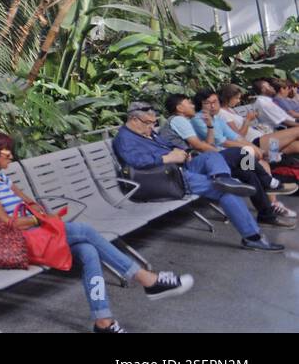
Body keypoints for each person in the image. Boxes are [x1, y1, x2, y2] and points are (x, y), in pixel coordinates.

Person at [0, 129, 192, 334]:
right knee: (82, 230)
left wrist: (40, 217)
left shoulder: (1, 177)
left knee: (88, 251)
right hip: (9, 244)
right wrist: (37, 219)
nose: (11, 157)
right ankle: (146, 279)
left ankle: (103, 322)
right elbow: (5, 223)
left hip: (29, 236)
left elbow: (31, 203)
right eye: (6, 152)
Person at [112, 103, 283, 252]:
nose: (152, 126)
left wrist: (184, 153)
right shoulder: (126, 138)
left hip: (186, 167)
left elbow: (174, 146)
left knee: (223, 158)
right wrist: (169, 157)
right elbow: (136, 162)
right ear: (134, 120)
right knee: (229, 187)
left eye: (153, 123)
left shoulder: (147, 132)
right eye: (149, 123)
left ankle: (227, 178)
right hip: (165, 178)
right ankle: (255, 232)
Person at [165, 92, 294, 227]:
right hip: (195, 166)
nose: (192, 105)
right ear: (180, 108)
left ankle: (266, 214)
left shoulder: (203, 120)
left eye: (216, 102)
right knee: (241, 152)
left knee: (249, 173)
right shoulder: (180, 120)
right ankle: (270, 183)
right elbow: (201, 146)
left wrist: (210, 126)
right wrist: (226, 152)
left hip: (207, 160)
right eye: (188, 103)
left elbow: (209, 144)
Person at [217, 83, 299, 158]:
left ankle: (274, 159)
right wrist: (248, 120)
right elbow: (237, 137)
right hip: (257, 143)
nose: (238, 101)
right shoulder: (222, 114)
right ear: (228, 97)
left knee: (296, 146)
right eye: (236, 98)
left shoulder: (230, 110)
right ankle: (272, 158)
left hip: (262, 139)